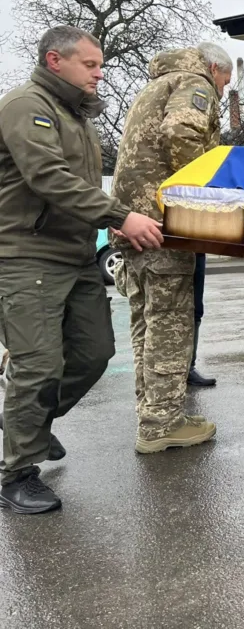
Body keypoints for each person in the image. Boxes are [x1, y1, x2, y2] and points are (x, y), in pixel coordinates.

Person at [0, 26, 163, 513]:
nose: (99, 73)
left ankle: (26, 423)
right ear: (56, 60)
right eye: (90, 64)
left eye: (101, 65)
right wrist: (119, 215)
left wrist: (106, 221)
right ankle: (15, 473)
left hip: (74, 255)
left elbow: (79, 186)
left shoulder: (77, 115)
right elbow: (48, 177)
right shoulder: (27, 106)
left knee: (94, 354)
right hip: (27, 255)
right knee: (38, 365)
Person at [111, 43, 231, 454]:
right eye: (224, 82)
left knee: (146, 322)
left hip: (131, 220)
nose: (221, 91)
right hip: (163, 223)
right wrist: (205, 195)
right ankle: (161, 424)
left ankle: (153, 412)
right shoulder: (194, 82)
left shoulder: (155, 86)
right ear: (214, 68)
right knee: (170, 323)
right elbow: (181, 132)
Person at [187, 253, 216, 387]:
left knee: (196, 310)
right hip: (174, 253)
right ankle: (185, 368)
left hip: (196, 251)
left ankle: (189, 367)